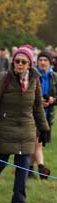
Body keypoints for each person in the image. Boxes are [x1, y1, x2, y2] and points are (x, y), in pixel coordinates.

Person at [0, 46, 49, 203]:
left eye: (24, 62)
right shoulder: (3, 78)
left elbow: (37, 107)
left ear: (30, 64)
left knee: (22, 166)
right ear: (13, 62)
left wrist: (44, 129)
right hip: (3, 129)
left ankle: (19, 201)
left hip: (26, 130)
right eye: (17, 61)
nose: (20, 64)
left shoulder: (34, 81)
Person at [32, 51, 57, 179]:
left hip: (48, 116)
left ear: (50, 62)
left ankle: (29, 169)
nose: (42, 62)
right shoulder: (32, 75)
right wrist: (38, 101)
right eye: (40, 60)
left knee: (36, 143)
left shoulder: (54, 77)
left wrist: (53, 100)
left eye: (45, 60)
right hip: (33, 115)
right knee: (37, 143)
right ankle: (42, 169)